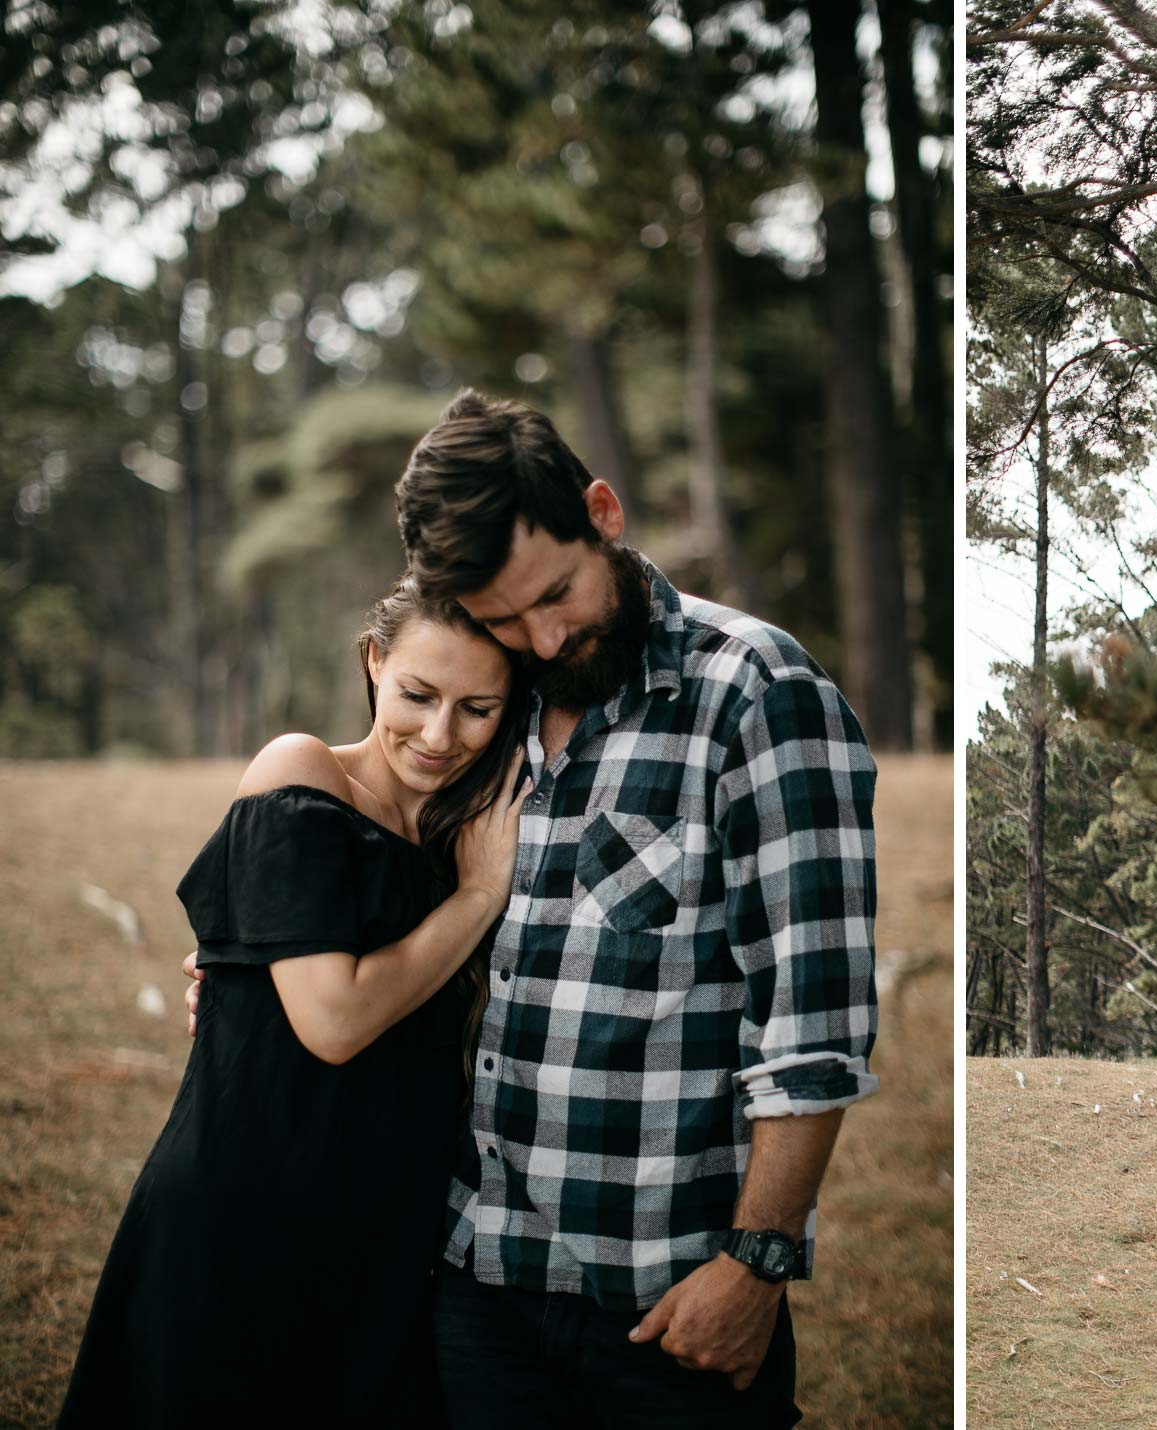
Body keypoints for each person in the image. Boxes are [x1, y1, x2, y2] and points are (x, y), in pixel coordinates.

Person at [225, 388, 876, 1427]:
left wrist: (755, 1264)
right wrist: (252, 969)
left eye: (556, 593)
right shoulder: (492, 706)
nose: (541, 635)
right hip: (471, 1284)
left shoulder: (755, 690)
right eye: (500, 619)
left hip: (660, 1301)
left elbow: (815, 1021)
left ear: (604, 515)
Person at [63, 580, 531, 1429]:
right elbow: (334, 1022)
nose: (439, 734)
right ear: (374, 661)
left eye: (478, 708)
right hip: (247, 1209)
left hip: (388, 1234)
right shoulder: (305, 772)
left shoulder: (478, 824)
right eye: (417, 695)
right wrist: (476, 899)